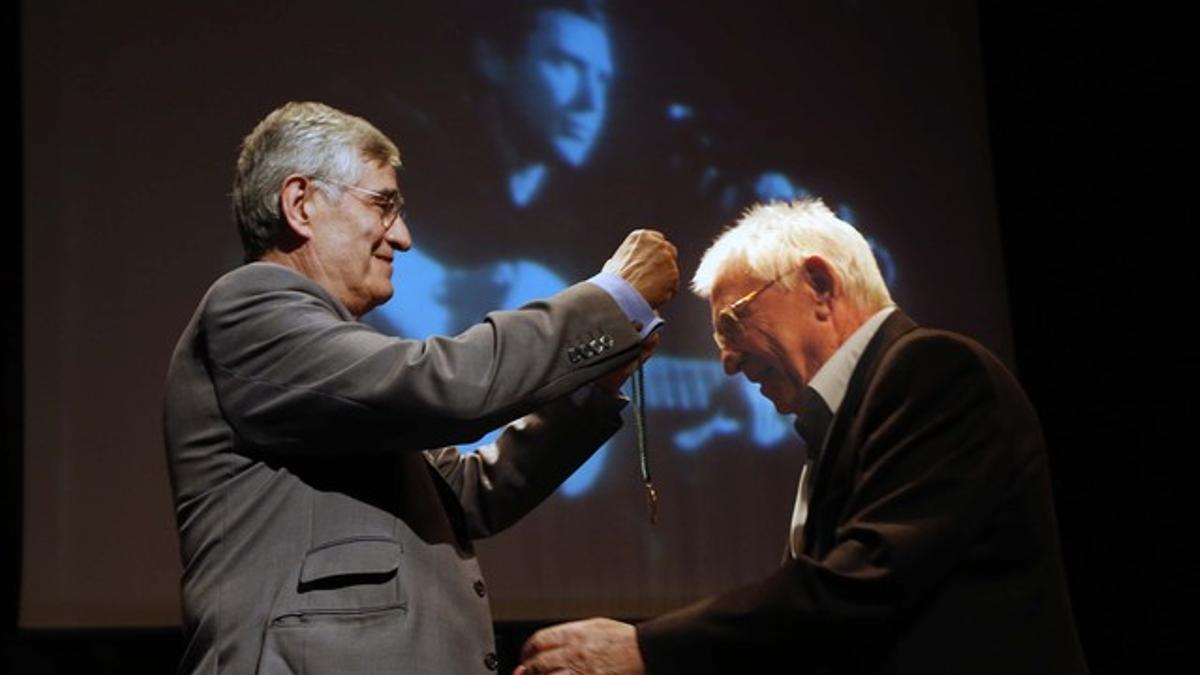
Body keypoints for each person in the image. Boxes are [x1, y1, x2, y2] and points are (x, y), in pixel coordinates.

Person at [162, 100, 678, 674]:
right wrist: (611, 302)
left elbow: (464, 492)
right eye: (384, 206)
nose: (402, 237)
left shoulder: (330, 357)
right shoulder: (251, 306)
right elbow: (448, 387)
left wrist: (593, 390)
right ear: (300, 204)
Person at [516, 199, 1088, 674]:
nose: (728, 363)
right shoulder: (851, 413)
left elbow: (862, 586)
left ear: (818, 284)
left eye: (731, 324)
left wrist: (646, 649)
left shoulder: (935, 370)